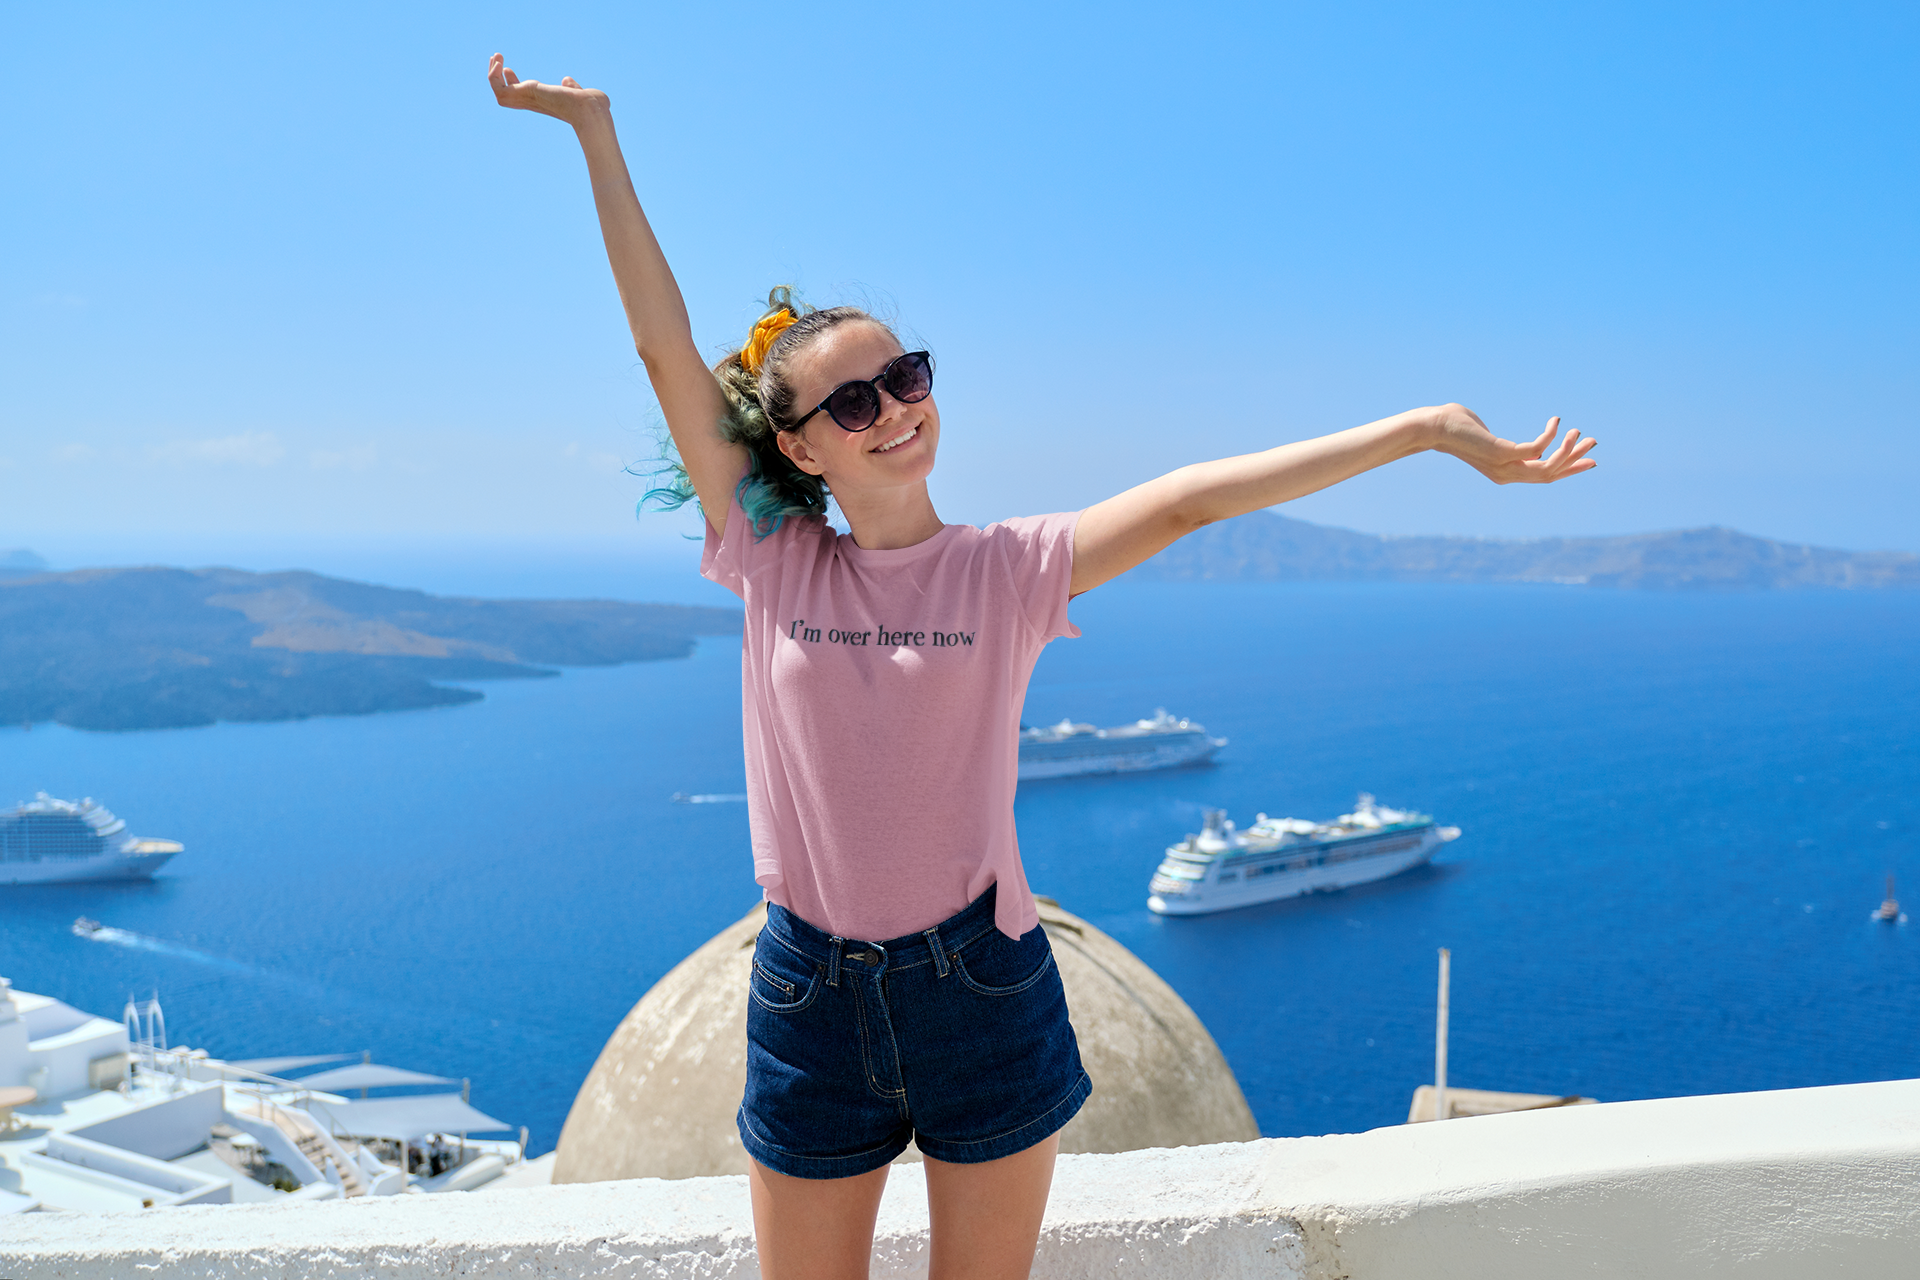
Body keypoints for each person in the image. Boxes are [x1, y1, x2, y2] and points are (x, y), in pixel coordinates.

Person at [488, 53, 1596, 1280]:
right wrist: (594, 132)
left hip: (982, 986)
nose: (894, 408)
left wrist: (1425, 432)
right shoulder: (773, 555)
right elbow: (661, 345)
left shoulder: (1008, 571)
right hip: (810, 997)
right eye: (852, 402)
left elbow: (1188, 501)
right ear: (797, 447)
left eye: (906, 378)